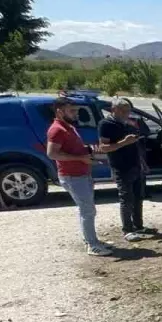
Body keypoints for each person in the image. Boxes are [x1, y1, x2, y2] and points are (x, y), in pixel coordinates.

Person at [47, 97, 111, 256]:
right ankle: (92, 245)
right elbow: (52, 153)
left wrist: (88, 151)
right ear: (59, 111)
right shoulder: (57, 130)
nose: (76, 114)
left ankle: (92, 239)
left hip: (82, 174)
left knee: (88, 209)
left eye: (76, 110)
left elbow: (73, 148)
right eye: (72, 111)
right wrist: (80, 159)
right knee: (87, 210)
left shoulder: (69, 127)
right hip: (72, 176)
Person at [97, 97, 152, 242]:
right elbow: (103, 147)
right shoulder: (106, 124)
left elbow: (135, 145)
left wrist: (142, 163)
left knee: (138, 197)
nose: (126, 113)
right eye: (123, 111)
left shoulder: (128, 123)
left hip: (135, 164)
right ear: (114, 109)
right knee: (126, 198)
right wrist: (123, 142)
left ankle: (138, 225)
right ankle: (127, 229)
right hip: (121, 166)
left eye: (128, 111)